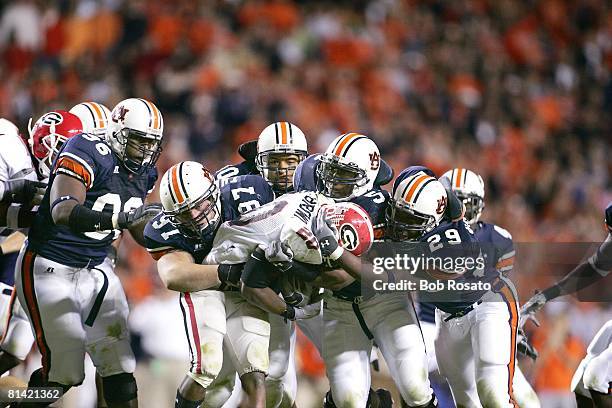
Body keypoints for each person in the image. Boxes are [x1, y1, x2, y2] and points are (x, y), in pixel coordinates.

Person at [14, 98, 164, 407]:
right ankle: (20, 402)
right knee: (64, 375)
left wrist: (166, 234)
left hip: (95, 268)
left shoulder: (145, 172)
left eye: (152, 143)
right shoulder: (86, 148)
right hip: (49, 264)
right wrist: (116, 220)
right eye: (139, 141)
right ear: (119, 132)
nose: (146, 151)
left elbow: (136, 227)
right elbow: (63, 209)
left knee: (121, 369)